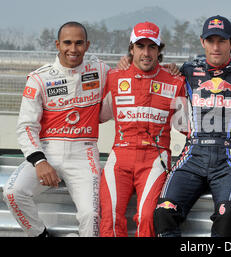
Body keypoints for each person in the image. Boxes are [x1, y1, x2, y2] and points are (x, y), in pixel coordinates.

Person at [152, 15, 231, 237]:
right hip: (192, 155)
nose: (216, 46)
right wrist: (129, 60)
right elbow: (150, 75)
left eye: (221, 41)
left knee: (227, 215)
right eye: (210, 41)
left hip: (228, 158)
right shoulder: (188, 70)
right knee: (163, 212)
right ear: (202, 42)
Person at [3, 21, 110, 237]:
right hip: (47, 150)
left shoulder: (99, 70)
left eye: (79, 43)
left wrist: (170, 68)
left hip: (84, 151)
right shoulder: (39, 78)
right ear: (57, 44)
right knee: (13, 193)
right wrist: (40, 161)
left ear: (87, 45)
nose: (73, 49)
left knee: (91, 214)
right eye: (67, 43)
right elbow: (26, 126)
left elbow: (130, 74)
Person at [99, 21, 186, 237]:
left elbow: (187, 128)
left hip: (155, 159)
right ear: (131, 49)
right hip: (120, 156)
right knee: (109, 216)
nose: (146, 53)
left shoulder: (176, 82)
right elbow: (97, 116)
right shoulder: (113, 77)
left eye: (152, 47)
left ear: (159, 50)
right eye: (140, 46)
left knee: (147, 217)